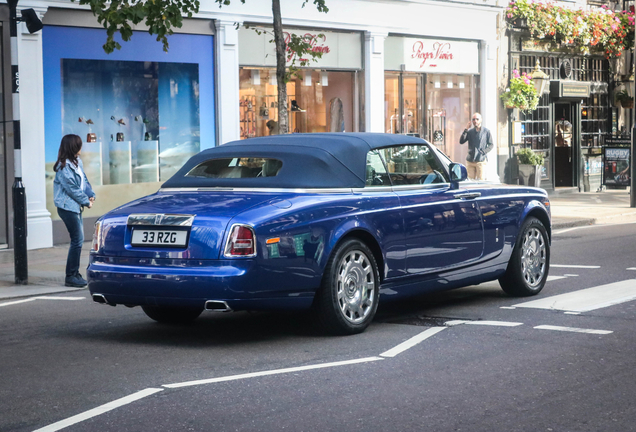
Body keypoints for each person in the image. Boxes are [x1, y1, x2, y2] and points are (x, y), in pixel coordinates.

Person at [53, 134, 96, 287]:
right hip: (67, 207)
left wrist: (91, 195)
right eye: (79, 145)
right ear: (73, 147)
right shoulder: (63, 166)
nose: (81, 148)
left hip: (75, 206)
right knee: (77, 240)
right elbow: (71, 188)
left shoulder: (77, 162)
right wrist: (86, 201)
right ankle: (71, 276)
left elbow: (84, 180)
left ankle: (74, 274)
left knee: (78, 240)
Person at [459, 112, 494, 180]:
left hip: (480, 160)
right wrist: (466, 129)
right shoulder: (470, 132)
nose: (475, 121)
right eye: (473, 119)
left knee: (481, 180)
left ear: (481, 120)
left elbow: (491, 144)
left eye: (477, 119)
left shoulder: (486, 131)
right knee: (470, 181)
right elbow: (461, 141)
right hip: (470, 160)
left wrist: (483, 152)